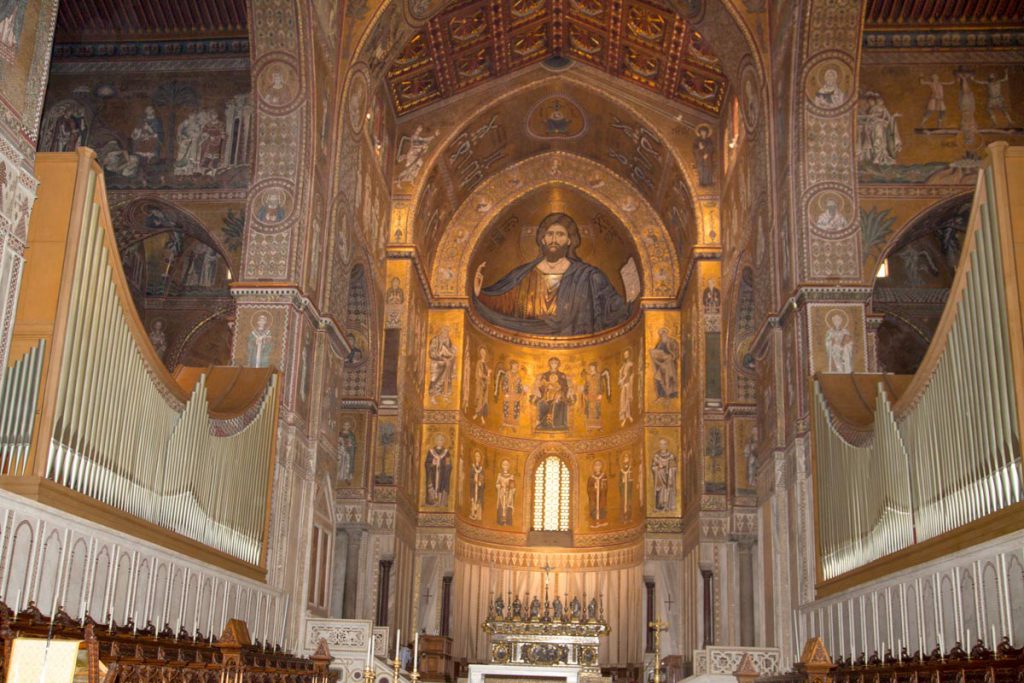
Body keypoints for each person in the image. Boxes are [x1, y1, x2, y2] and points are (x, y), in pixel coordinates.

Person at [473, 213, 631, 336]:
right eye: (550, 234)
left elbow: (615, 309)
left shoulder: (589, 276)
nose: (554, 239)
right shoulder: (524, 274)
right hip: (528, 346)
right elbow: (502, 303)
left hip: (576, 350)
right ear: (542, 239)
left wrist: (633, 302)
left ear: (570, 241)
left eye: (560, 235)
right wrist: (480, 293)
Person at [531, 357, 573, 431]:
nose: (554, 365)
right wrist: (546, 387)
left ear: (558, 364)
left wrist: (559, 393)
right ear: (549, 364)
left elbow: (565, 387)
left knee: (558, 403)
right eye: (552, 363)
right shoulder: (545, 375)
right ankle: (542, 423)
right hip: (546, 396)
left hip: (559, 397)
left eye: (555, 363)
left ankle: (558, 424)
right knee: (541, 403)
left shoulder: (562, 375)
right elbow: (540, 386)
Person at [428, 327, 457, 401]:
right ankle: (432, 396)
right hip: (436, 364)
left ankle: (444, 395)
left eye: (447, 334)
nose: (446, 335)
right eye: (445, 333)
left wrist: (452, 352)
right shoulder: (435, 340)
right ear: (441, 333)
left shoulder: (448, 341)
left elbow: (449, 351)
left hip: (446, 364)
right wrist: (441, 356)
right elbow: (432, 353)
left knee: (445, 380)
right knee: (434, 379)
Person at [650, 328, 679, 399]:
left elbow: (676, 352)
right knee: (658, 377)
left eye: (664, 333)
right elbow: (656, 354)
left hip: (670, 364)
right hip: (661, 364)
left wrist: (671, 356)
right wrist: (654, 354)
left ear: (666, 334)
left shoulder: (672, 342)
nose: (662, 335)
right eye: (661, 334)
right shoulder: (659, 344)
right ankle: (661, 395)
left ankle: (672, 395)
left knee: (670, 379)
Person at [424, 434, 452, 507]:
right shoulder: (431, 452)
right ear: (435, 441)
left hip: (442, 474)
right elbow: (427, 463)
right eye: (438, 440)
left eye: (441, 440)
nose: (440, 441)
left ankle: (440, 502)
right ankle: (432, 501)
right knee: (432, 485)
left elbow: (448, 464)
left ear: (443, 442)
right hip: (433, 473)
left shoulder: (446, 452)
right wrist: (432, 463)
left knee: (441, 486)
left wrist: (446, 466)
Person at [651, 439, 677, 512]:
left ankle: (668, 505)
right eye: (661, 444)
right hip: (659, 477)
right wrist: (658, 467)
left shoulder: (671, 456)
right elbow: (653, 467)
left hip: (669, 477)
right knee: (661, 489)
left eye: (664, 444)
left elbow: (674, 467)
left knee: (668, 489)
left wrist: (669, 468)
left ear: (667, 445)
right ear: (659, 445)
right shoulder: (656, 456)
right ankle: (660, 505)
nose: (663, 446)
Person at [587, 460, 608, 527]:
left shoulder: (603, 476)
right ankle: (594, 521)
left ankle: (601, 521)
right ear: (593, 467)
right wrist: (594, 488)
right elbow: (588, 488)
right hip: (594, 496)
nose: (597, 467)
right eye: (596, 465)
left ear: (601, 466)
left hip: (601, 495)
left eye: (599, 465)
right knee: (593, 507)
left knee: (602, 507)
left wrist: (601, 488)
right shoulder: (591, 477)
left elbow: (606, 487)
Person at [617, 350, 635, 426]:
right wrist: (620, 380)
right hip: (623, 385)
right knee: (623, 401)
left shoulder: (631, 364)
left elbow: (629, 374)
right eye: (624, 354)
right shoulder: (623, 365)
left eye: (627, 354)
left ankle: (628, 415)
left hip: (628, 384)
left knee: (627, 400)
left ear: (629, 355)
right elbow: (621, 373)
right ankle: (624, 417)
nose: (625, 356)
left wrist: (622, 380)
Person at [496, 459, 515, 525]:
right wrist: (500, 486)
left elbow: (512, 486)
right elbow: (497, 484)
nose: (505, 466)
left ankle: (507, 521)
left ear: (509, 466)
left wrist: (508, 487)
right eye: (504, 464)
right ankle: (500, 521)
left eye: (507, 465)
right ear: (502, 465)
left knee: (508, 506)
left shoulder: (511, 476)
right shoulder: (499, 475)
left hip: (508, 494)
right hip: (501, 493)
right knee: (501, 506)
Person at [469, 449, 484, 521]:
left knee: (479, 501)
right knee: (473, 500)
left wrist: (480, 482)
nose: (477, 458)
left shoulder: (482, 469)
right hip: (473, 488)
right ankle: (472, 514)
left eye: (479, 456)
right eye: (476, 456)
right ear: (474, 457)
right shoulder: (472, 467)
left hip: (479, 489)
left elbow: (483, 479)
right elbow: (470, 478)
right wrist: (474, 480)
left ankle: (478, 516)